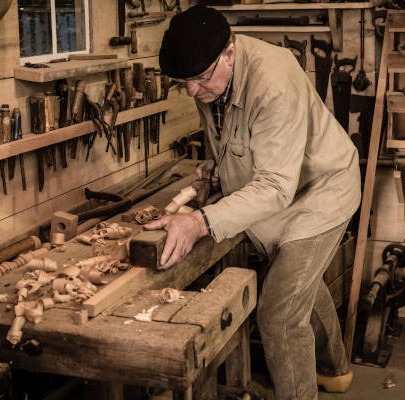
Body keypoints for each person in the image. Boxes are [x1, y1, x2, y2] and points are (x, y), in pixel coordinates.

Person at [144, 5, 361, 399]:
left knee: (278, 314)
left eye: (198, 79)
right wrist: (221, 165)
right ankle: (335, 371)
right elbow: (235, 134)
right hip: (287, 187)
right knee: (297, 285)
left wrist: (199, 222)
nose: (192, 91)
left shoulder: (272, 81)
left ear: (229, 52)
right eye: (183, 82)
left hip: (322, 191)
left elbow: (277, 184)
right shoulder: (211, 75)